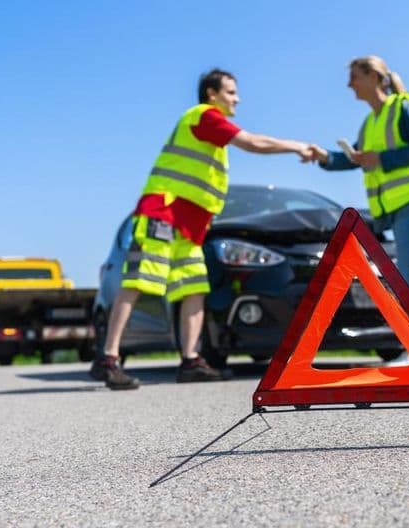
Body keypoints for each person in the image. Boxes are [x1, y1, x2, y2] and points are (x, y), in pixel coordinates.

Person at [91, 68, 316, 389]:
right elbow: (252, 143)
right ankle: (108, 358)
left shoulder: (212, 135)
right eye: (231, 92)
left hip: (188, 228)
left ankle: (190, 360)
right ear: (212, 94)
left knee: (194, 289)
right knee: (138, 281)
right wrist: (296, 145)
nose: (237, 98)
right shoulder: (204, 116)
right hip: (163, 215)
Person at [309, 55, 409, 365]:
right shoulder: (370, 122)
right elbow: (357, 159)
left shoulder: (402, 108)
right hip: (396, 206)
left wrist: (381, 159)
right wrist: (325, 157)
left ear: (373, 76)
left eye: (354, 77)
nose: (349, 85)